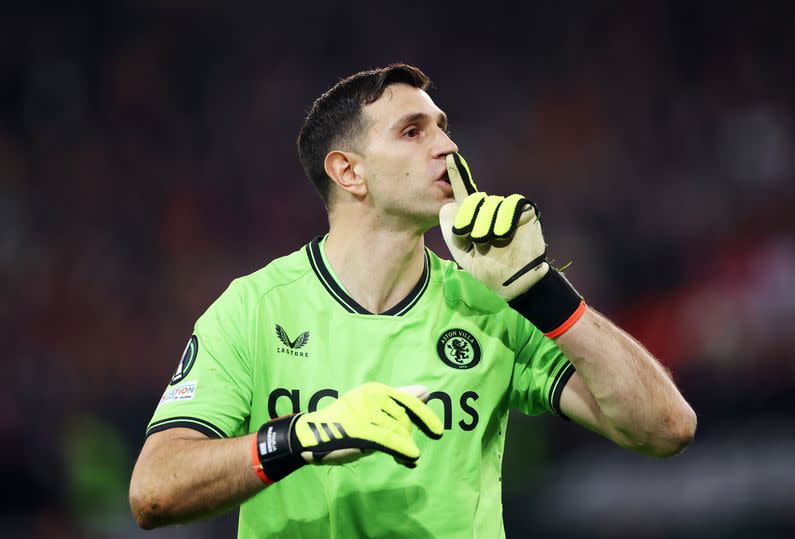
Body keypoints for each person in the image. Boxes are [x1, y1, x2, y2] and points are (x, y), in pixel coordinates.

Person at [129, 63, 696, 537]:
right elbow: (154, 491)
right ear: (348, 171)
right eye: (412, 131)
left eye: (444, 128)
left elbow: (666, 428)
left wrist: (539, 287)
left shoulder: (491, 307)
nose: (448, 146)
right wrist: (299, 438)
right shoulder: (255, 310)